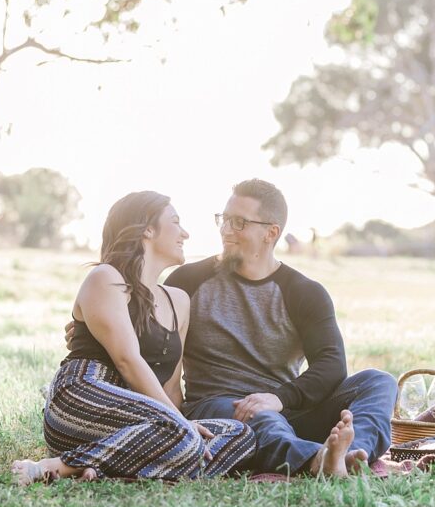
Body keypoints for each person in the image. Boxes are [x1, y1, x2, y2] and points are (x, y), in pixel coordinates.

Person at [13, 191, 255, 484]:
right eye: (176, 222)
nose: (186, 234)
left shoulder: (178, 301)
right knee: (183, 435)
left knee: (240, 434)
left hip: (138, 422)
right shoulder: (106, 278)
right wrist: (179, 426)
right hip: (82, 397)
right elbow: (127, 360)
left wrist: (179, 425)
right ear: (148, 229)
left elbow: (171, 389)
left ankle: (100, 468)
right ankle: (58, 465)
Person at [165, 179, 398, 477]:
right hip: (217, 408)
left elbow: (331, 365)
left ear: (270, 233)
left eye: (238, 223)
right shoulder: (186, 282)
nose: (225, 230)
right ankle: (318, 461)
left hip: (286, 409)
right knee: (263, 418)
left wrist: (280, 398)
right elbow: (161, 358)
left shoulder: (304, 292)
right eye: (224, 220)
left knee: (378, 381)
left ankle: (352, 456)